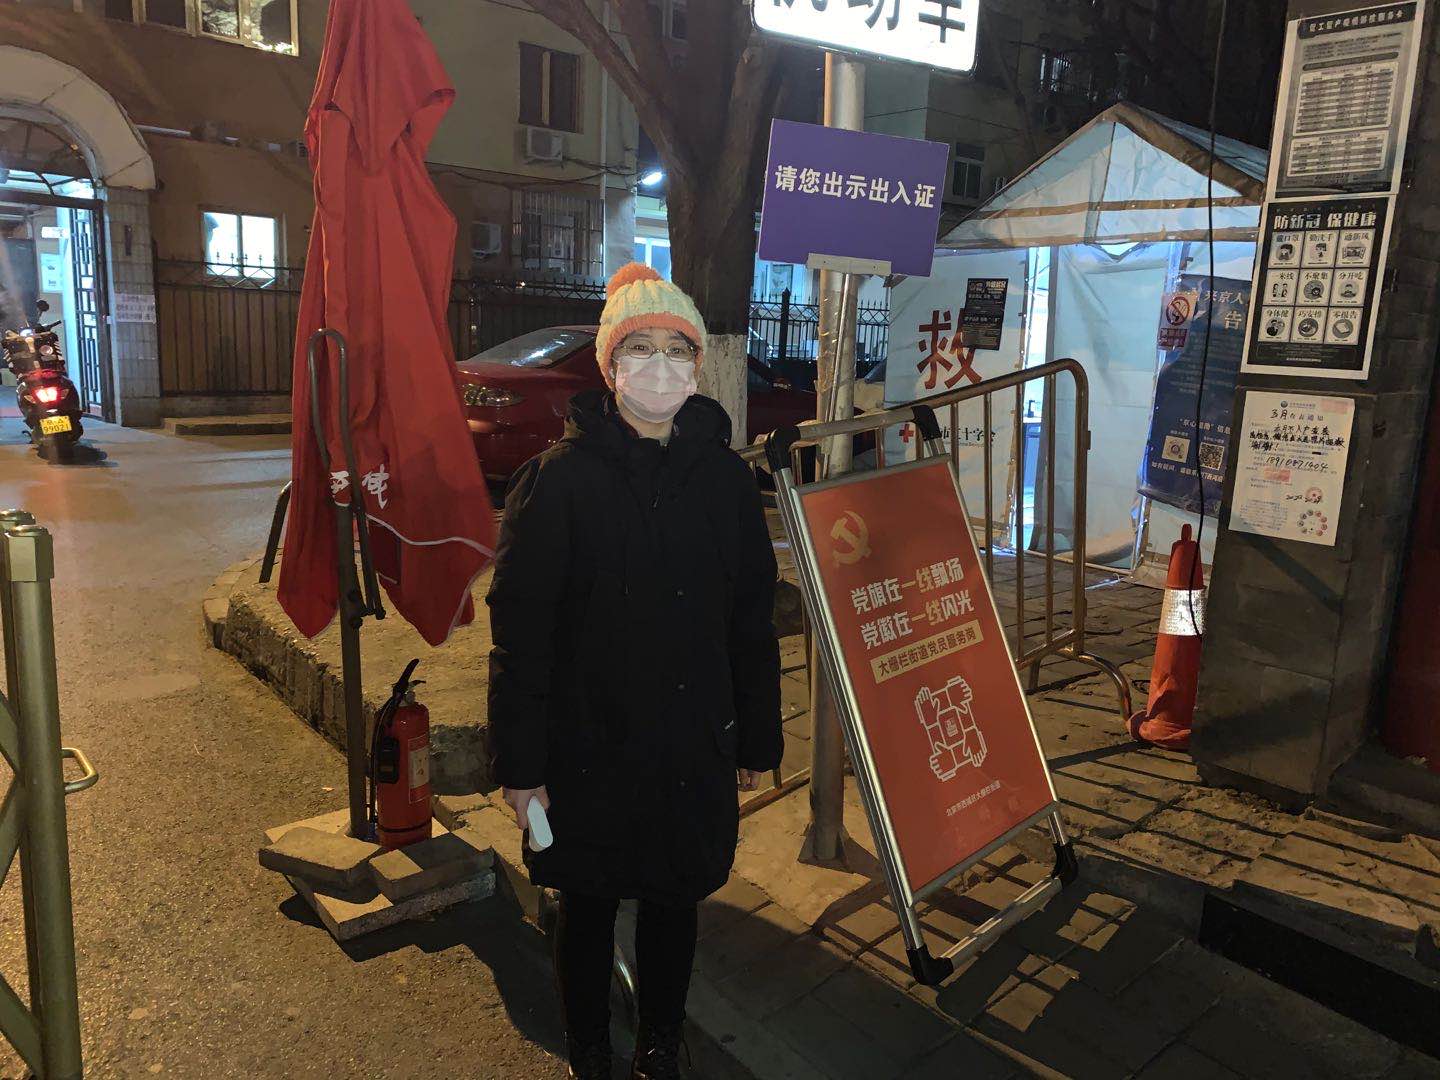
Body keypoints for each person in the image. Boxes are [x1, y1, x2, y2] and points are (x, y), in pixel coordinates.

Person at [486, 263, 784, 1080]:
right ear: (610, 366)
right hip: (585, 744)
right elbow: (520, 636)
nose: (660, 366)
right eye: (640, 348)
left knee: (673, 898)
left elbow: (749, 620)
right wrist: (520, 766)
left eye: (676, 349)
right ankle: (588, 1046)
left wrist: (756, 737)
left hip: (691, 739)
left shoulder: (724, 480)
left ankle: (659, 1041)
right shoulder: (557, 481)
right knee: (586, 904)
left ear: (698, 366)